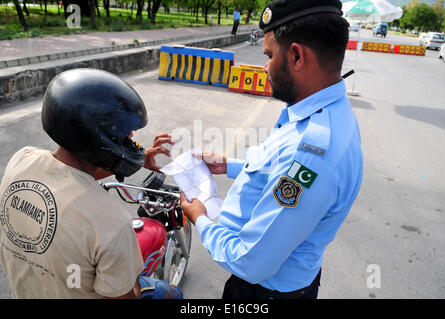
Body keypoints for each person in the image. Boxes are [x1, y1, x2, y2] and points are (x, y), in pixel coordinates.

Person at [180, 0, 363, 299]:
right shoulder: (323, 111)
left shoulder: (312, 152)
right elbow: (277, 166)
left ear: (296, 55)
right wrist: (230, 165)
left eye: (268, 56)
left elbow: (250, 262)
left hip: (263, 292)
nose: (264, 66)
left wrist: (200, 218)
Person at [0, 68, 181, 299]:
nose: (132, 136)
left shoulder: (22, 160)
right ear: (98, 137)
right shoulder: (111, 223)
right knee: (171, 293)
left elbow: (69, 176)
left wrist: (139, 160)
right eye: (125, 134)